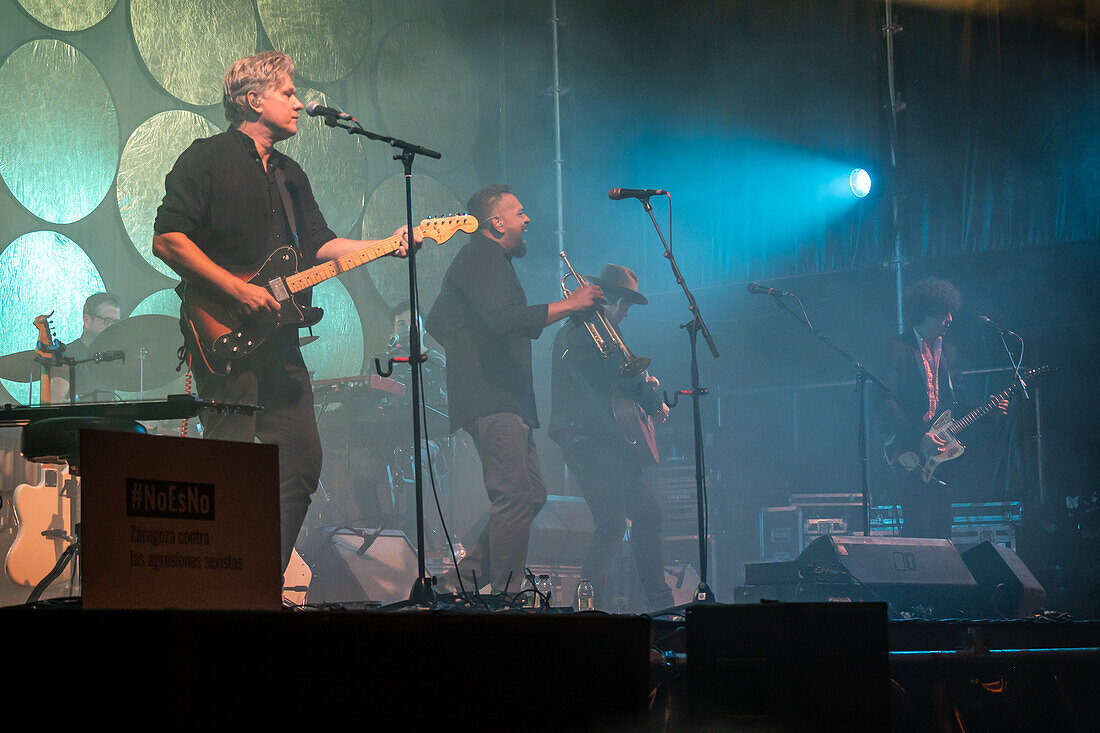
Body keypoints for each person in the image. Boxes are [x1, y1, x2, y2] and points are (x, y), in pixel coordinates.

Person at [152, 51, 418, 571]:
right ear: (254, 100)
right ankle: (216, 578)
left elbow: (320, 244)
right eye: (289, 93)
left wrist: (386, 244)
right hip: (223, 336)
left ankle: (257, 575)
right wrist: (237, 287)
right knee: (228, 464)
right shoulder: (205, 157)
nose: (299, 103)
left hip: (280, 338)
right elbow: (167, 240)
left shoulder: (292, 173)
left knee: (300, 461)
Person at [425, 184, 604, 594]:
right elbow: (503, 320)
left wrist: (468, 344)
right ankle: (506, 598)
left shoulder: (489, 262)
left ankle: (457, 585)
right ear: (496, 222)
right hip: (494, 399)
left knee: (531, 496)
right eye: (519, 212)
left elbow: (439, 320)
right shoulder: (480, 256)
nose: (527, 220)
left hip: (505, 398)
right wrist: (570, 306)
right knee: (512, 497)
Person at [549, 264, 674, 611]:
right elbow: (620, 378)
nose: (627, 313)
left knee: (611, 524)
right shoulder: (591, 332)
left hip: (587, 440)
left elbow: (611, 384)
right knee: (646, 514)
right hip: (592, 442)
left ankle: (588, 607)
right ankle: (661, 606)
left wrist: (642, 393)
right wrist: (652, 399)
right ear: (615, 301)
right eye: (627, 306)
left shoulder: (580, 331)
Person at [880, 277, 1007, 538]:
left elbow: (957, 400)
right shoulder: (898, 348)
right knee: (915, 525)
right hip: (909, 450)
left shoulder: (949, 351)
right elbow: (886, 401)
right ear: (924, 312)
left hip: (941, 453)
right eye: (943, 313)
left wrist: (987, 411)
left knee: (942, 524)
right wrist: (918, 436)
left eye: (951, 312)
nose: (949, 319)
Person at [49, 292, 122, 403]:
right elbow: (55, 399)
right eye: (107, 321)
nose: (112, 327)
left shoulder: (110, 357)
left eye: (115, 322)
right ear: (87, 320)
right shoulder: (67, 354)